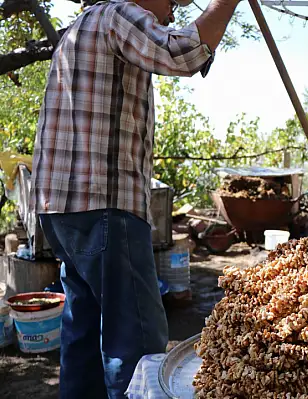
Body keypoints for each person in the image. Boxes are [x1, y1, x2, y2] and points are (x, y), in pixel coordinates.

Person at [30, 0, 242, 396]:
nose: (174, 12)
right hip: (103, 206)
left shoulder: (82, 27)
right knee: (138, 346)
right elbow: (182, 52)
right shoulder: (117, 14)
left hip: (60, 212)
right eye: (172, 2)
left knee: (84, 337)